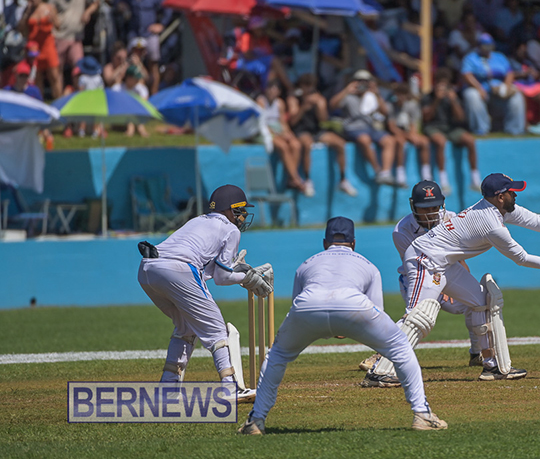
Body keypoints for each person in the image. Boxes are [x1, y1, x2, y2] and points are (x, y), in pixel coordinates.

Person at [367, 173, 540, 383]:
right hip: (423, 259)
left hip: (445, 263)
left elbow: (539, 222)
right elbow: (520, 258)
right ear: (501, 197)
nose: (516, 195)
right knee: (418, 317)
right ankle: (380, 371)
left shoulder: (500, 209)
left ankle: (491, 366)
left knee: (481, 303)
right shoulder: (492, 225)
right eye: (512, 191)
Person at [238, 216, 447, 434]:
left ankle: (256, 420)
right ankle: (422, 414)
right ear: (354, 243)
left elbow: (297, 305)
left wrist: (326, 325)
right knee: (401, 347)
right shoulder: (368, 265)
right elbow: (377, 311)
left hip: (308, 307)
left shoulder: (306, 264)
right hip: (354, 306)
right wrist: (348, 325)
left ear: (324, 242)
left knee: (277, 356)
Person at [137, 185, 273, 403]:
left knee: (186, 327)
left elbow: (214, 268)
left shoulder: (198, 220)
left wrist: (238, 272)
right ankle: (231, 388)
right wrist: (247, 277)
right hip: (177, 269)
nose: (243, 216)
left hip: (147, 269)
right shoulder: (231, 229)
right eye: (240, 211)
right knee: (217, 330)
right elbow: (222, 277)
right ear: (229, 210)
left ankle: (167, 388)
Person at [359, 180, 486, 384]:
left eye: (435, 207)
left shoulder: (452, 219)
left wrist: (452, 282)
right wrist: (439, 286)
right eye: (424, 208)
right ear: (413, 206)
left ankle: (477, 353)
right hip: (415, 277)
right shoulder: (402, 230)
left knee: (480, 300)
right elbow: (416, 267)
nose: (431, 212)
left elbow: (459, 259)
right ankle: (381, 356)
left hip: (449, 272)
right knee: (418, 316)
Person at [287, 74, 358, 197]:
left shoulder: (318, 98)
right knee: (307, 144)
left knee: (340, 144)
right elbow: (292, 121)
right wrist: (303, 107)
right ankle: (308, 179)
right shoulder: (294, 99)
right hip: (301, 130)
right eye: (306, 86)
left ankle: (342, 180)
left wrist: (320, 105)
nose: (308, 89)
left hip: (316, 130)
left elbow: (323, 120)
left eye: (311, 86)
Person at [329, 70, 396, 185]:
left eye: (365, 81)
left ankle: (386, 173)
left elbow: (385, 112)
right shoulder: (348, 95)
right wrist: (346, 90)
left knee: (389, 141)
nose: (362, 84)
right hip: (353, 128)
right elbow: (332, 105)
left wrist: (377, 94)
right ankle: (377, 170)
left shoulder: (371, 96)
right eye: (359, 81)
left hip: (369, 127)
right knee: (364, 140)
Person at [421, 68, 482, 193]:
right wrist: (437, 100)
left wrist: (454, 101)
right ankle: (443, 181)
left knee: (470, 141)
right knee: (441, 142)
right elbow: (426, 118)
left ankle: (475, 178)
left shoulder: (453, 97)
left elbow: (460, 118)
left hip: (451, 128)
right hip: (433, 127)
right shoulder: (428, 97)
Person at [114, 0, 171, 95]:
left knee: (153, 65)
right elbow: (116, 3)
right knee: (132, 63)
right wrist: (120, 6)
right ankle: (136, 92)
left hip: (149, 34)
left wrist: (161, 25)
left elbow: (167, 8)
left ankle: (154, 95)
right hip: (134, 33)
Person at [461, 33, 526, 136]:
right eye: (484, 45)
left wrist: (506, 86)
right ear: (479, 46)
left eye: (489, 45)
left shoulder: (499, 57)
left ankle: (515, 129)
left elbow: (509, 73)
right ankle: (481, 129)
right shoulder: (471, 58)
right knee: (471, 94)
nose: (487, 48)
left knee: (517, 96)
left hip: (499, 92)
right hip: (482, 91)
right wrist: (479, 88)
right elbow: (466, 74)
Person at [49, 0, 99, 89]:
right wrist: (55, 20)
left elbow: (95, 3)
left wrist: (87, 12)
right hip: (60, 37)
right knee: (58, 70)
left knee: (78, 68)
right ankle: (59, 97)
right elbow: (48, 9)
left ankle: (78, 95)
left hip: (76, 38)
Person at [257, 81, 307, 194]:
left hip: (277, 129)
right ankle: (296, 178)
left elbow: (283, 123)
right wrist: (277, 133)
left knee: (296, 144)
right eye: (270, 88)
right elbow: (262, 123)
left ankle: (291, 178)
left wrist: (288, 133)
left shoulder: (280, 103)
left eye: (275, 89)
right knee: (283, 147)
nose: (272, 91)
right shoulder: (261, 101)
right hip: (264, 130)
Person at [19, 0, 62, 100]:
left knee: (54, 76)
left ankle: (58, 102)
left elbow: (58, 25)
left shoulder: (49, 8)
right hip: (34, 49)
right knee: (37, 79)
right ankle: (40, 103)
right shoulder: (28, 11)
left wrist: (52, 18)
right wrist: (27, 13)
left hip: (48, 47)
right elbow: (21, 29)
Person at [386, 83, 431, 188]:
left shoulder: (411, 106)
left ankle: (426, 174)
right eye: (399, 94)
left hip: (408, 132)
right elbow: (391, 126)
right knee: (401, 142)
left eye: (403, 94)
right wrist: (406, 135)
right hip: (396, 133)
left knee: (424, 142)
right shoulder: (391, 106)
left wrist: (413, 135)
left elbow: (413, 125)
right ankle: (400, 174)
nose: (401, 97)